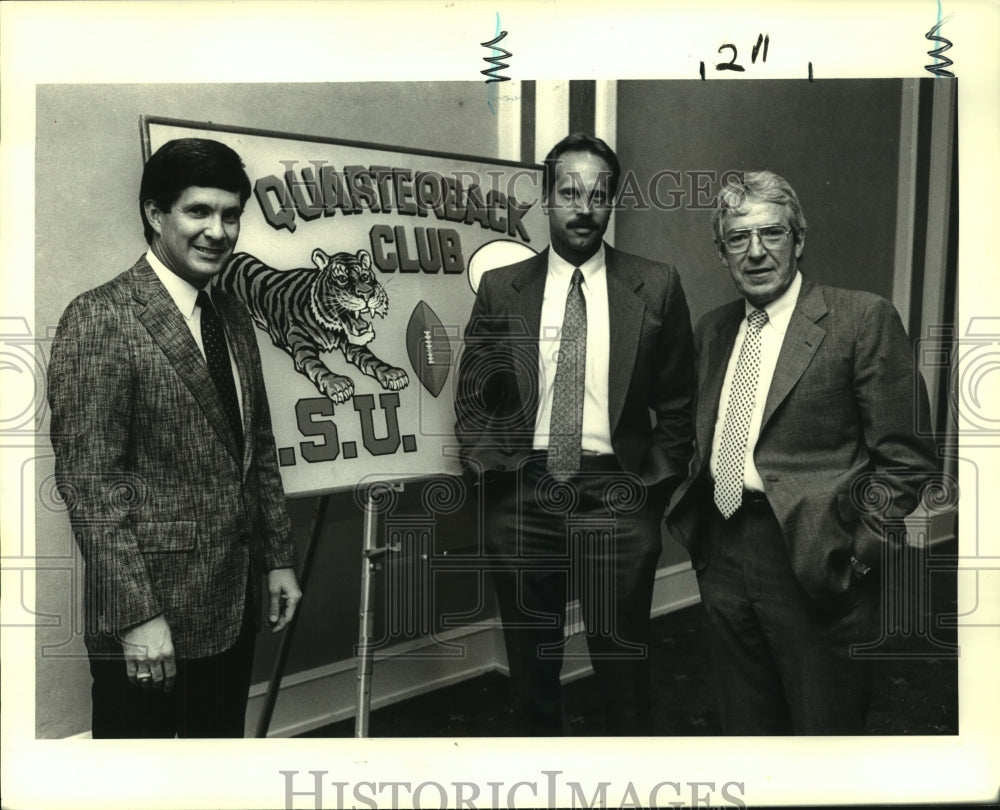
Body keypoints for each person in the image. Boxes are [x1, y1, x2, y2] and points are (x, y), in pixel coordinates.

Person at [666, 170, 938, 735]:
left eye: (772, 234)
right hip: (724, 546)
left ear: (800, 240)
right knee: (747, 729)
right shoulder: (713, 331)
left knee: (824, 736)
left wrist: (859, 554)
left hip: (818, 555)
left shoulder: (860, 319)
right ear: (722, 253)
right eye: (738, 238)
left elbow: (907, 457)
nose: (756, 251)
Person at [48, 138, 302, 738]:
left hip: (231, 608)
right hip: (151, 624)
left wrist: (279, 559)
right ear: (154, 214)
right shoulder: (100, 316)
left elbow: (256, 448)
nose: (218, 231)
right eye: (199, 212)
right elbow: (91, 489)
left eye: (231, 214)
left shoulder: (233, 315)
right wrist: (138, 617)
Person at [454, 133, 695, 735]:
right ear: (546, 198)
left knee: (623, 669)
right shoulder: (502, 287)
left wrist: (650, 493)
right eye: (569, 192)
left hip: (617, 494)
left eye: (597, 194)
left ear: (612, 201)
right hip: (524, 494)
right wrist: (494, 480)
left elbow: (678, 404)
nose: (583, 207)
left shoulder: (656, 284)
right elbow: (474, 399)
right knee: (532, 672)